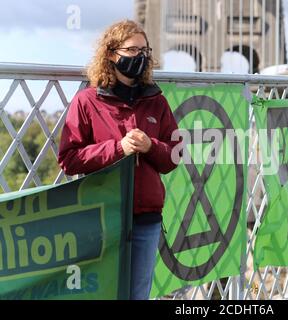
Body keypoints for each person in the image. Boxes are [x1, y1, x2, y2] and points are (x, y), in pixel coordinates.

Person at [58, 20, 181, 300]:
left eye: (144, 50)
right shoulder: (87, 101)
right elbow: (69, 159)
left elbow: (174, 157)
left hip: (146, 220)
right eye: (131, 49)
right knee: (101, 294)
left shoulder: (157, 101)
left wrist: (151, 146)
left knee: (138, 295)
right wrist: (117, 148)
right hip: (102, 217)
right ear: (112, 54)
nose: (139, 56)